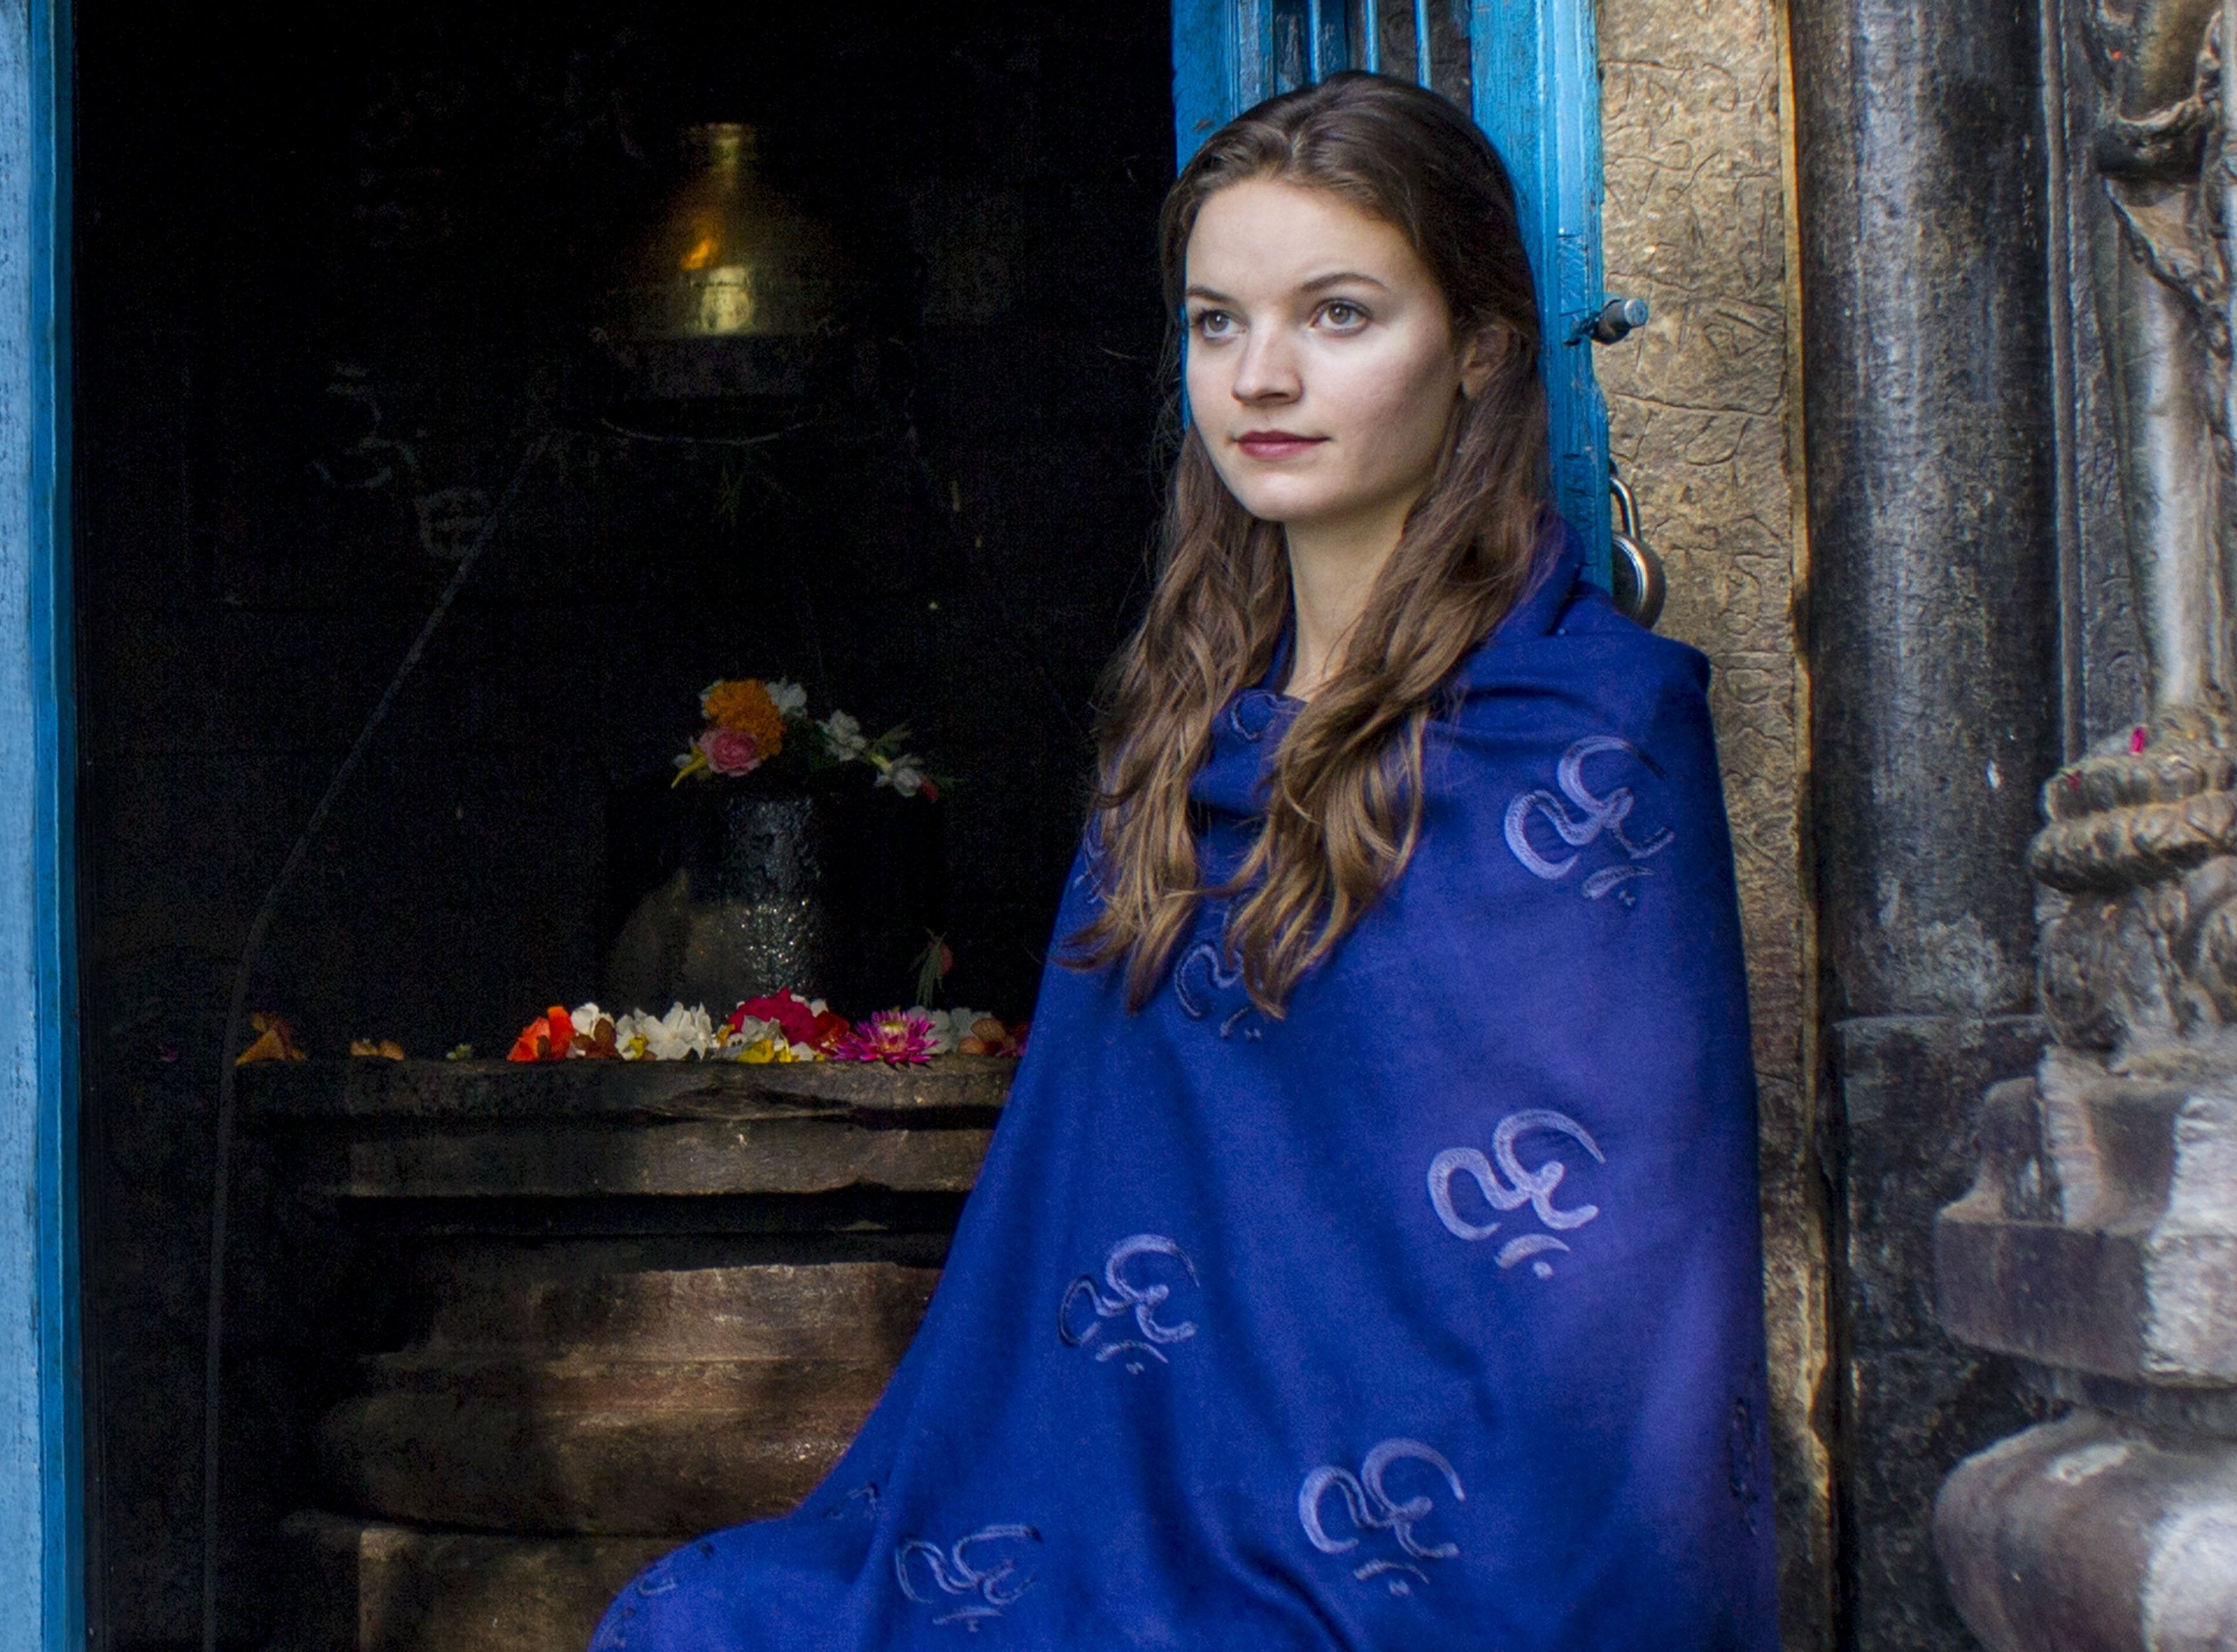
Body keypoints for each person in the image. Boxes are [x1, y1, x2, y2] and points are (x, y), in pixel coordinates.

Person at [590, 71, 1779, 1651]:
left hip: (1474, 1535)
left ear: (1480, 349)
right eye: (1218, 323)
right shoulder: (1172, 737)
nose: (1262, 378)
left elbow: (1608, 1292)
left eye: (1339, 315)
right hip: (1125, 1508)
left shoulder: (1595, 731)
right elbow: (1085, 1220)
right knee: (703, 1619)